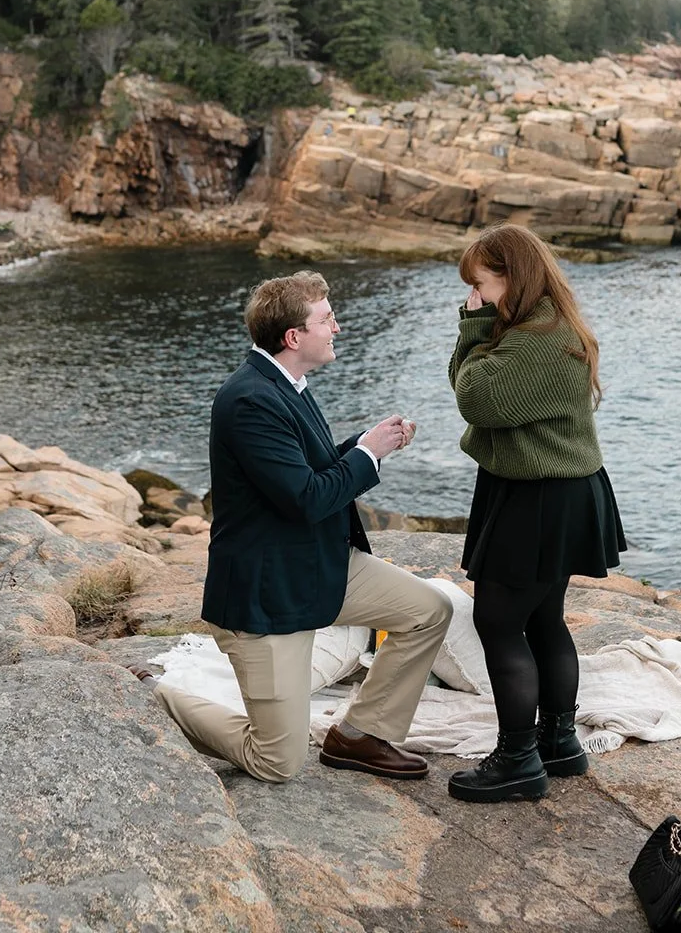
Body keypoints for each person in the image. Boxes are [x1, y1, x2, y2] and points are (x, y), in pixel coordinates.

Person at [152, 270, 453, 784]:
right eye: (327, 318)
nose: (337, 326)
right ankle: (157, 699)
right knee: (278, 762)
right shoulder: (249, 400)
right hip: (268, 594)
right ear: (294, 337)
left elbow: (304, 473)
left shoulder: (286, 384)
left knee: (429, 610)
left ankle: (360, 735)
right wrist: (366, 456)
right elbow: (307, 499)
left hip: (319, 566)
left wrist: (366, 442)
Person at [446, 224, 626, 803]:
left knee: (498, 622)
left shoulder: (539, 337)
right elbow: (473, 384)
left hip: (540, 497)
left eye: (481, 283)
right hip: (555, 491)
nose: (476, 297)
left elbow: (475, 397)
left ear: (511, 275)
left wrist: (472, 329)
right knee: (544, 619)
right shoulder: (543, 324)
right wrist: (481, 329)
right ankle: (559, 742)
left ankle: (519, 759)